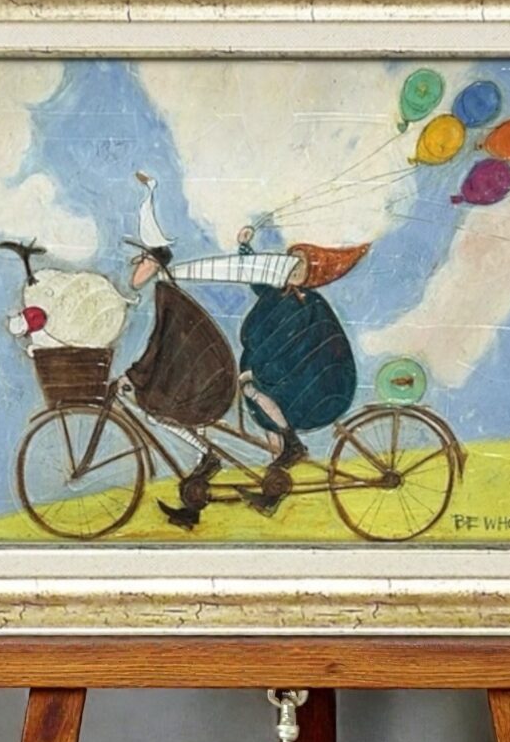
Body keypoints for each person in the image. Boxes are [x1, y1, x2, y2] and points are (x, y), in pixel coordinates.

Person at [119, 173, 238, 531]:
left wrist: (133, 375)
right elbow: (166, 348)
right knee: (163, 412)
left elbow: (160, 345)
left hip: (203, 383)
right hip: (201, 378)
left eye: (140, 260)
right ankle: (194, 501)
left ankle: (209, 457)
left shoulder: (167, 296)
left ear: (153, 262)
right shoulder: (167, 292)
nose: (136, 268)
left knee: (157, 415)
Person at [233, 226, 361, 514]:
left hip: (308, 381)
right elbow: (256, 275)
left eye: (300, 265)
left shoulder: (308, 304)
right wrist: (244, 247)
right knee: (266, 420)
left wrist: (259, 371)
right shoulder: (277, 294)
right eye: (290, 262)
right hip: (282, 376)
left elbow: (293, 345)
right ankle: (272, 489)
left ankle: (292, 443)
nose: (292, 268)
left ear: (311, 273)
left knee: (255, 392)